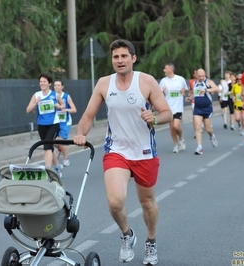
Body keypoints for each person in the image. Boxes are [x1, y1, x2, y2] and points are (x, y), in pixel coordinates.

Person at [73, 39, 172, 265]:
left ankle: (151, 241)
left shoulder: (146, 81)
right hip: (116, 150)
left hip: (144, 152)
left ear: (133, 58)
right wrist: (81, 133)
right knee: (115, 202)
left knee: (147, 203)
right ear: (112, 60)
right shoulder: (104, 84)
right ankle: (127, 234)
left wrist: (154, 118)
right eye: (116, 57)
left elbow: (167, 112)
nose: (120, 60)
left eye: (124, 56)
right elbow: (88, 115)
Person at [26, 74, 65, 176]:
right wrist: (36, 103)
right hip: (42, 125)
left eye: (44, 81)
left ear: (49, 83)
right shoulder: (36, 95)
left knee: (47, 147)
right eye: (41, 82)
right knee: (49, 148)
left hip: (53, 124)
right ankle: (57, 167)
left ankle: (47, 172)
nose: (42, 83)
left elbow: (63, 105)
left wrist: (59, 106)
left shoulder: (55, 95)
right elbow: (28, 110)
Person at [185, 68, 219, 155]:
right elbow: (195, 93)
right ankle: (199, 147)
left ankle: (212, 136)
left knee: (208, 128)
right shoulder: (194, 83)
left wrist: (206, 90)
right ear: (196, 75)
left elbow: (216, 88)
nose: (201, 77)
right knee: (197, 127)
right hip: (197, 108)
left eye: (203, 76)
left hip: (207, 108)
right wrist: (190, 98)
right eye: (199, 76)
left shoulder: (208, 82)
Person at [159, 63, 188, 153]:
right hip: (168, 108)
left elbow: (185, 89)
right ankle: (176, 145)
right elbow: (160, 95)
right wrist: (163, 92)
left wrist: (183, 91)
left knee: (176, 126)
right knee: (172, 127)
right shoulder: (163, 81)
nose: (164, 70)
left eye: (165, 68)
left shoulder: (180, 79)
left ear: (171, 69)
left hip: (178, 107)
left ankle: (181, 138)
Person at [52, 80, 77, 167]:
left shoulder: (66, 96)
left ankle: (65, 159)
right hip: (55, 121)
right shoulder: (51, 96)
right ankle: (59, 148)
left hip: (65, 121)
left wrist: (66, 109)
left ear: (62, 87)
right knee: (52, 141)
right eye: (55, 85)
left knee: (62, 139)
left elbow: (74, 109)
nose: (56, 87)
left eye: (58, 85)